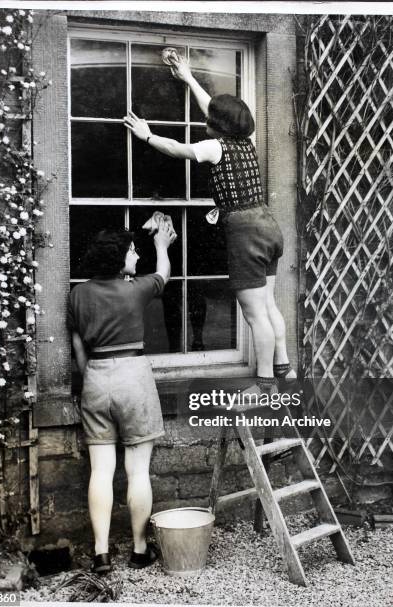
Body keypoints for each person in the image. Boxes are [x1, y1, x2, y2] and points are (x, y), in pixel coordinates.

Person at [123, 55, 296, 394]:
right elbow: (213, 109)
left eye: (212, 117)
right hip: (267, 224)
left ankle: (263, 384)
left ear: (219, 124)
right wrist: (188, 77)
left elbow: (175, 149)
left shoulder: (213, 147)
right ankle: (283, 370)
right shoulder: (244, 141)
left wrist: (146, 135)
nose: (208, 116)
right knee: (269, 305)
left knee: (253, 313)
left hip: (245, 231)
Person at [67, 219, 176, 574]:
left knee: (100, 472)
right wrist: (161, 245)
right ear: (118, 259)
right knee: (138, 471)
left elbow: (78, 349)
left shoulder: (77, 294)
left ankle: (100, 554)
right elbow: (163, 274)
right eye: (132, 250)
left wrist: (94, 378)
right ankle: (140, 550)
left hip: (96, 379)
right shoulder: (135, 290)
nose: (137, 254)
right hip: (133, 377)